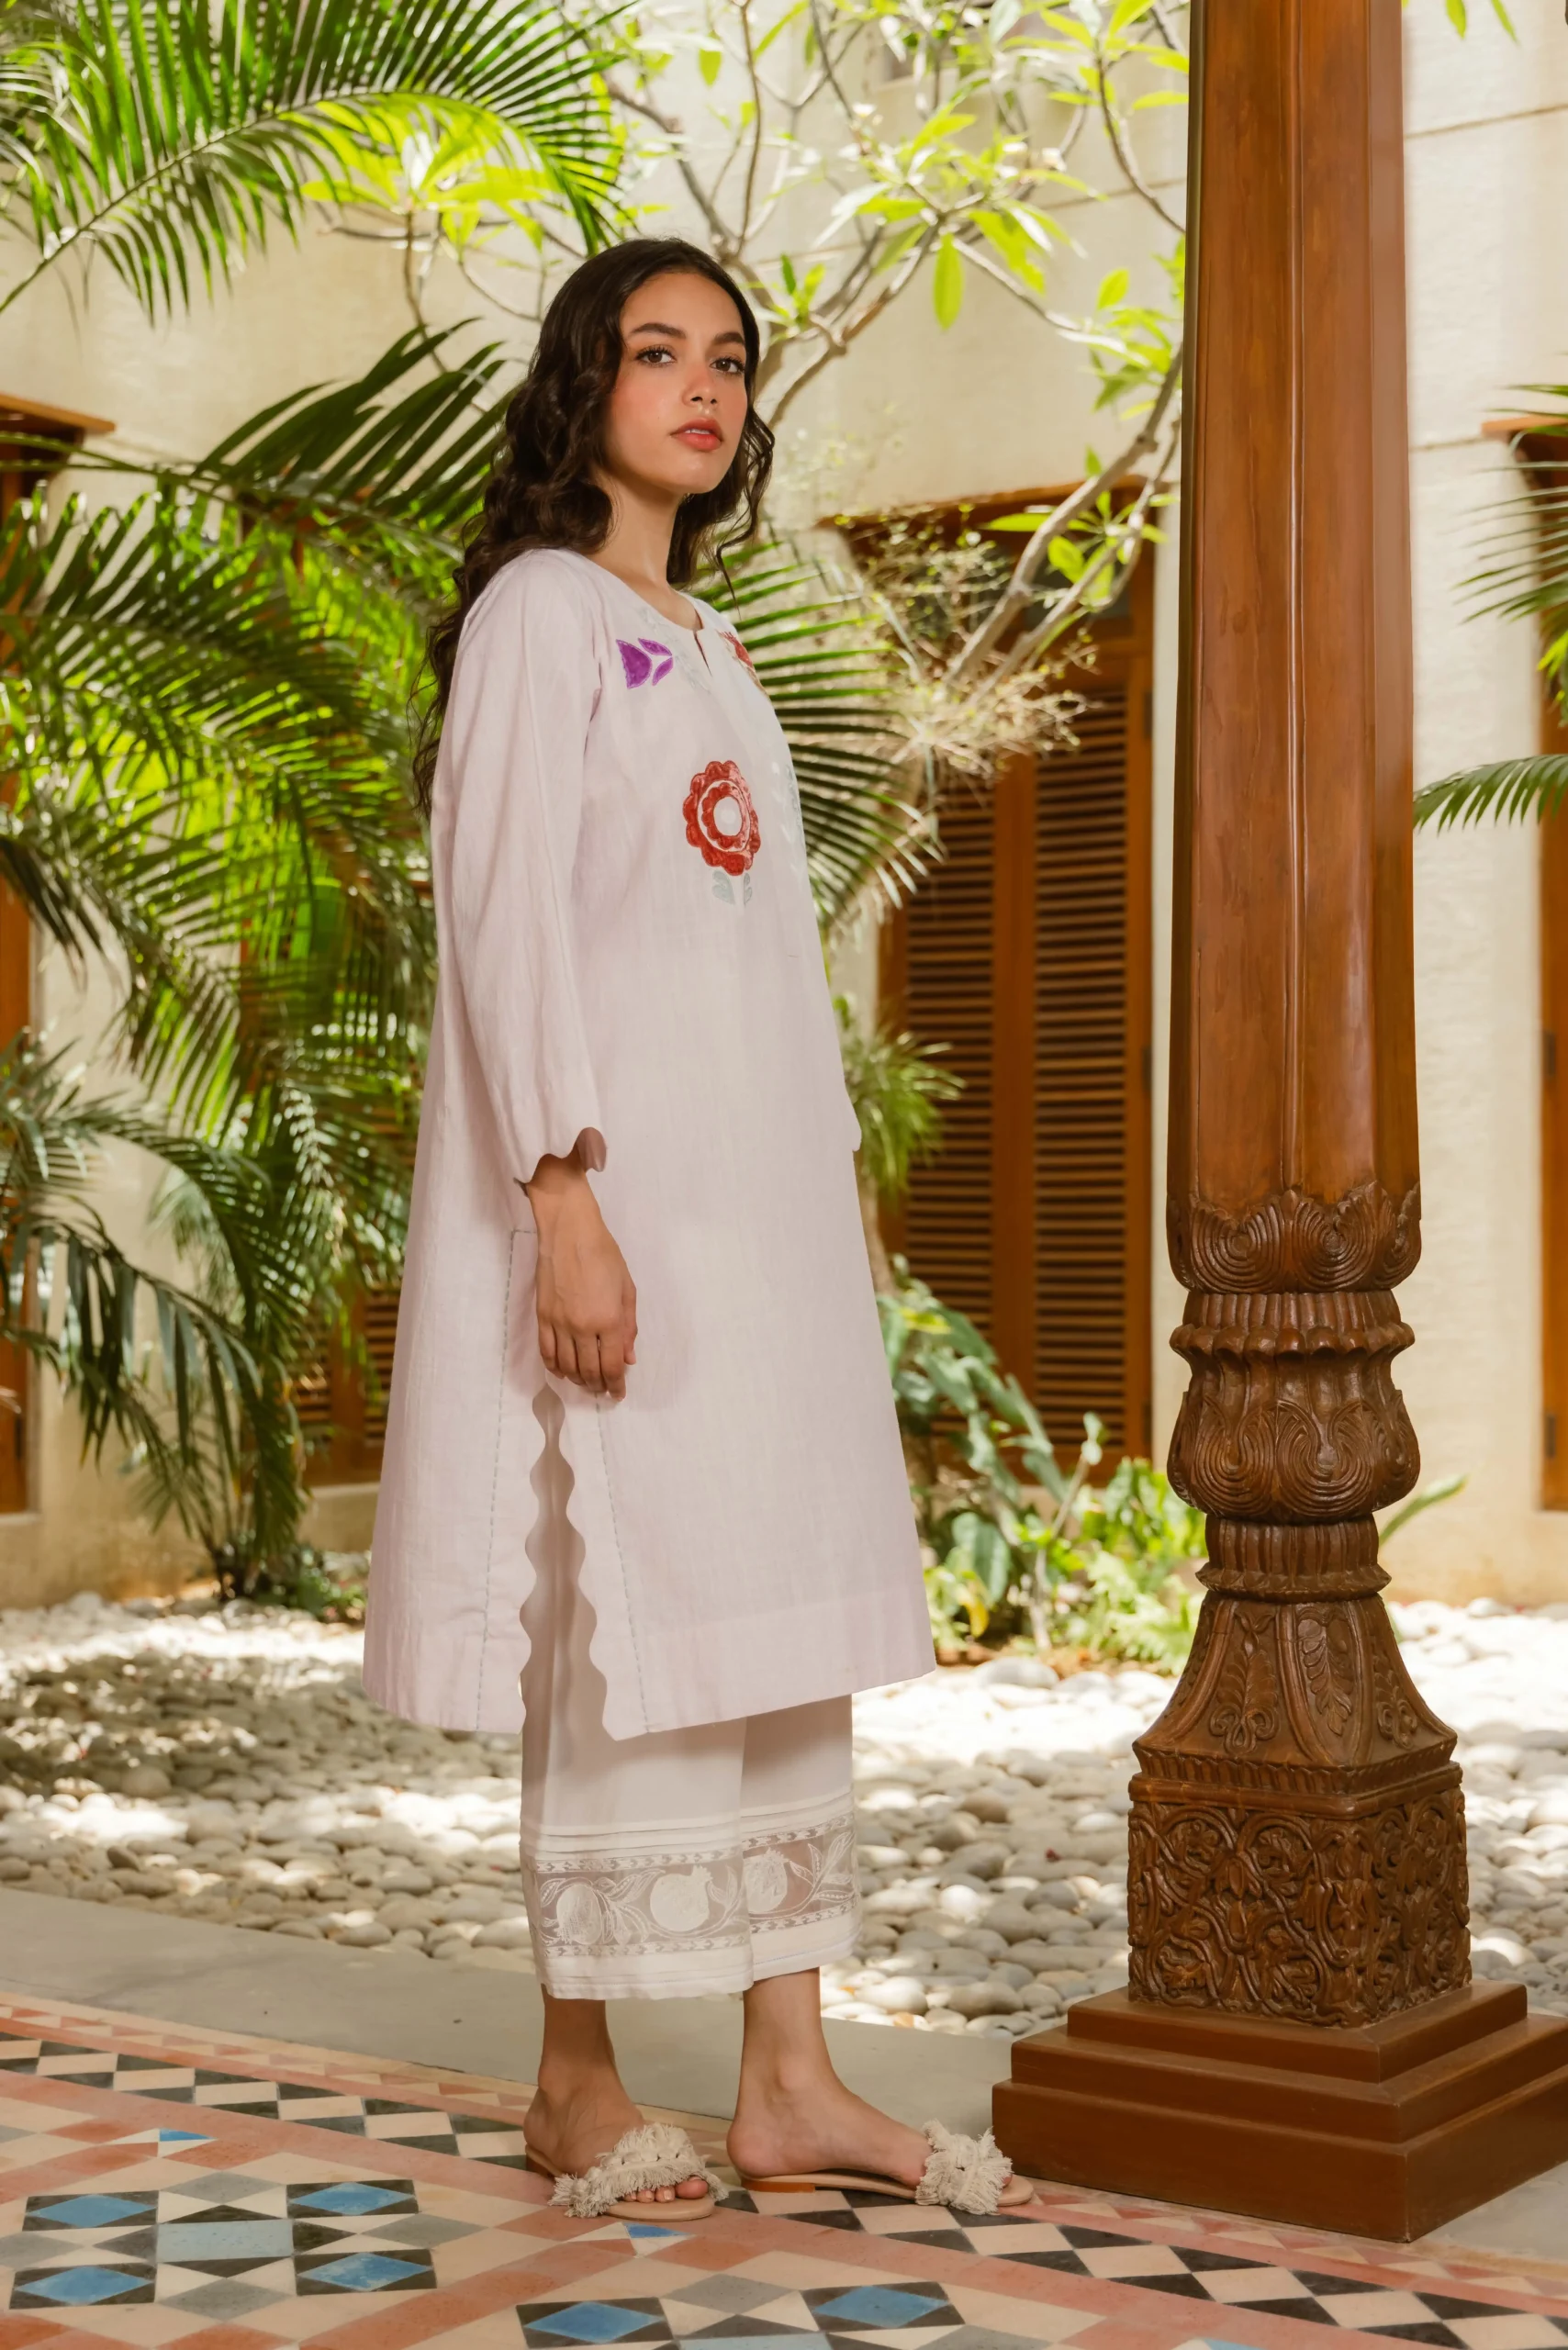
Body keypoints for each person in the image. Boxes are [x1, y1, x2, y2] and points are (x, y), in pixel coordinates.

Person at [364, 236, 1032, 2221]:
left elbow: (745, 965)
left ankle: (787, 2079)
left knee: (768, 1616)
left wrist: (824, 1229)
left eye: (728, 358)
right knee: (615, 1611)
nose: (704, 387)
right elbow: (503, 916)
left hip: (757, 1236)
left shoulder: (716, 644)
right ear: (585, 386)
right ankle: (573, 2081)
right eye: (657, 352)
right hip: (617, 1203)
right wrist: (560, 1192)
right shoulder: (537, 614)